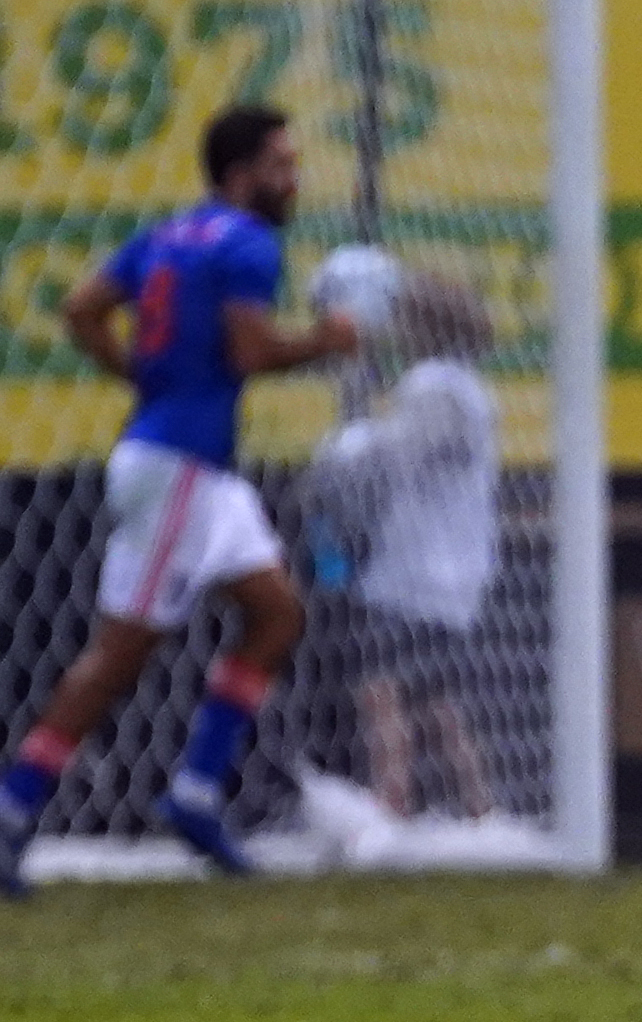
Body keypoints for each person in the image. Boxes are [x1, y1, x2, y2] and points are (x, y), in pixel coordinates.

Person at [0, 105, 357, 891]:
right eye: (281, 165)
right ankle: (13, 807)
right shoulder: (250, 244)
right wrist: (324, 344)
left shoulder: (169, 234)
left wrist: (137, 375)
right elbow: (252, 350)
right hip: (179, 466)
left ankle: (195, 795)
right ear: (240, 176)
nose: (294, 179)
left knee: (276, 611)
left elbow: (81, 307)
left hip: (197, 466)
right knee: (122, 651)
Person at [310, 272, 502, 820]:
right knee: (437, 701)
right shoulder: (467, 387)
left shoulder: (435, 386)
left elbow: (399, 457)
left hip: (417, 570)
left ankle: (390, 806)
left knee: (381, 690)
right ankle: (480, 808)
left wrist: (347, 447)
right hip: (451, 571)